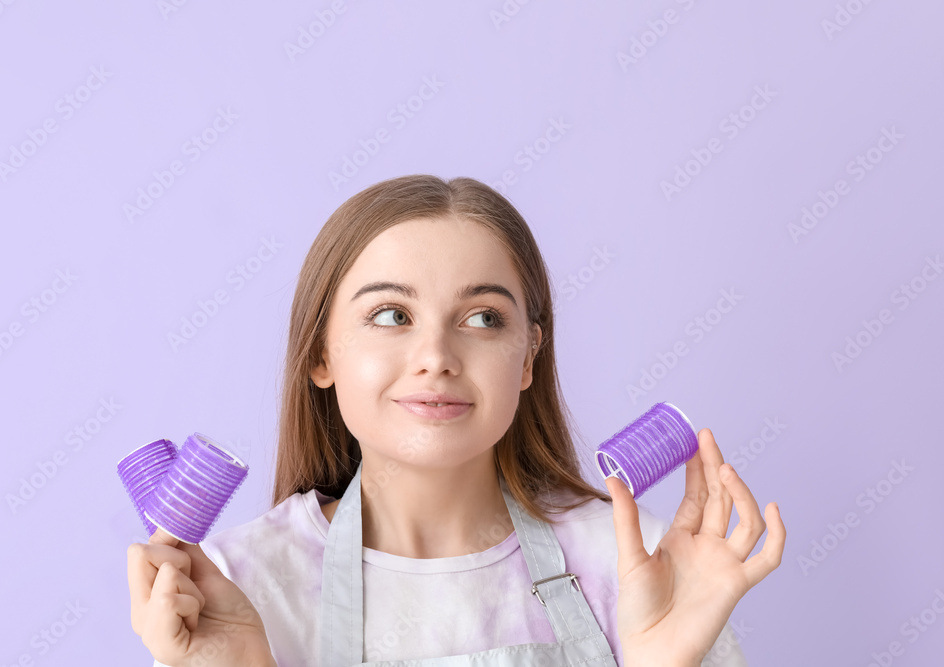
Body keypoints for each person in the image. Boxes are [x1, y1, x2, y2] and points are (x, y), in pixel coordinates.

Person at [127, 174, 786, 666]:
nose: (437, 357)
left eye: (483, 318)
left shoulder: (633, 558)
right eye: (391, 315)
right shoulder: (233, 584)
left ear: (528, 355)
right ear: (321, 352)